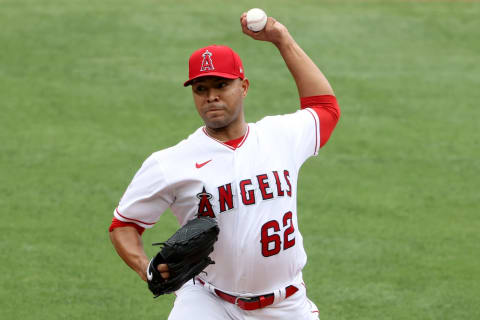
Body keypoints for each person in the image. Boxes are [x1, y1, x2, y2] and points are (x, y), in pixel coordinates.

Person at [109, 12, 340, 320]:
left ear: (243, 87)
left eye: (221, 85)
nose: (211, 97)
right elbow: (123, 225)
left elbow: (325, 107)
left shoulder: (281, 137)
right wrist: (145, 267)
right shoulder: (170, 162)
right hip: (207, 302)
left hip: (286, 305)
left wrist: (282, 39)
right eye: (200, 89)